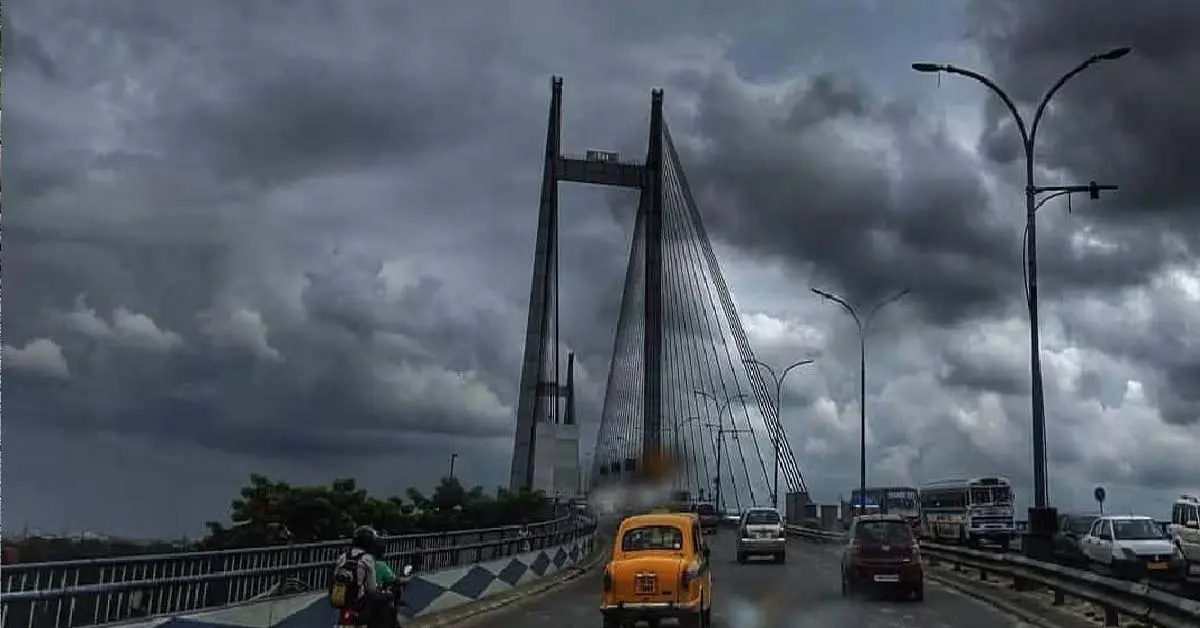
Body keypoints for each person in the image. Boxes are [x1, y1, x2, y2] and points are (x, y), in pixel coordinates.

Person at [330, 526, 396, 628]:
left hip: (341, 600)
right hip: (359, 602)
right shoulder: (367, 558)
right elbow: (372, 588)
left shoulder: (343, 556)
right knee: (387, 599)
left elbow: (334, 578)